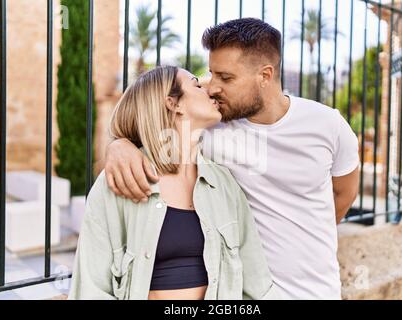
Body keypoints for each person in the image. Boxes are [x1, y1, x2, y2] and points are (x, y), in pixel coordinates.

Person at [104, 18, 360, 299]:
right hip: (242, 294)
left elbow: (344, 194)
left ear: (265, 75)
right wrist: (121, 143)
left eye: (225, 78)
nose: (213, 87)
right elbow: (157, 105)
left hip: (319, 292)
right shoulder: (211, 126)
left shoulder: (328, 125)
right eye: (211, 74)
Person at [68, 65, 280, 300]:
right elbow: (90, 288)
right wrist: (119, 144)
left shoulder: (224, 184)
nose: (209, 90)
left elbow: (257, 284)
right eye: (197, 85)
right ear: (173, 103)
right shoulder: (120, 181)